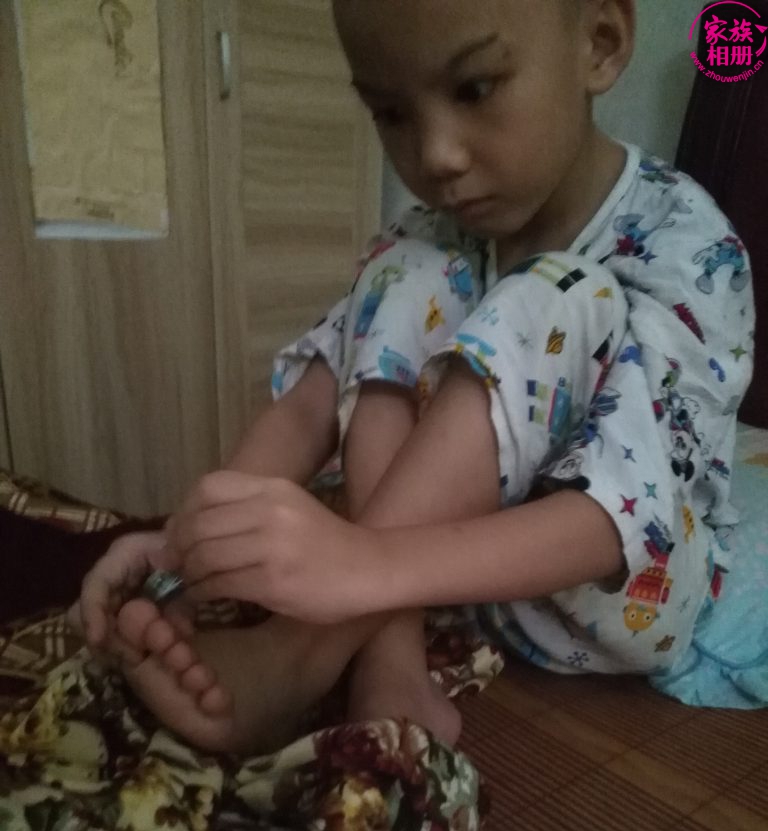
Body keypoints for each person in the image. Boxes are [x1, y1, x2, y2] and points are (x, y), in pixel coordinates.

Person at [70, 0, 754, 754]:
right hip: (450, 589)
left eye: (475, 89)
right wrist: (180, 553)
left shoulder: (685, 241)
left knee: (557, 291)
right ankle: (388, 655)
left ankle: (299, 652)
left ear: (600, 43)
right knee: (406, 268)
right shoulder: (433, 233)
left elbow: (616, 521)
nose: (436, 156)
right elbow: (311, 406)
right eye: (391, 113)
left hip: (614, 593)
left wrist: (360, 560)